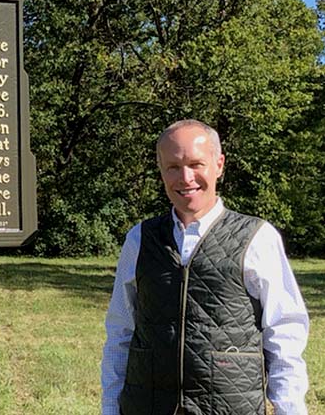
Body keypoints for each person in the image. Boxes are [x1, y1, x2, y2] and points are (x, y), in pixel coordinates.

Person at [100, 119, 309, 415]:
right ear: (161, 170)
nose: (185, 178)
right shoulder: (139, 239)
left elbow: (284, 333)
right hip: (147, 404)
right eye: (173, 166)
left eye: (196, 164)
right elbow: (120, 331)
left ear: (219, 164)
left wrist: (290, 409)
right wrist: (110, 408)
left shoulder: (257, 238)